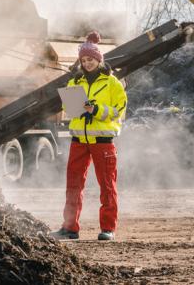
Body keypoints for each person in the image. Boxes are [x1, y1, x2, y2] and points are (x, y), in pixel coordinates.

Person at [51, 31, 127, 241]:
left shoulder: (113, 83)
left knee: (107, 186)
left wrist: (95, 109)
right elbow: (68, 107)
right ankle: (70, 228)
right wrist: (76, 106)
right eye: (83, 60)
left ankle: (108, 229)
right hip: (78, 141)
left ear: (98, 59)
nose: (87, 63)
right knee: (73, 186)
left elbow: (118, 110)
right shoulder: (76, 81)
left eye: (90, 59)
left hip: (103, 142)